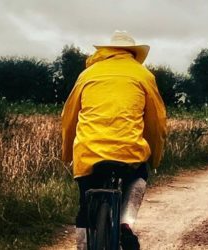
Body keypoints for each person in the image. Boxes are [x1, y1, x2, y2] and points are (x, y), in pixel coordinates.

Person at [61, 30, 167, 250]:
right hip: (128, 152)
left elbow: (68, 118)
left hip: (89, 152)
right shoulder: (143, 75)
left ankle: (83, 244)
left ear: (107, 51)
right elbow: (157, 123)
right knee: (138, 176)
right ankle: (126, 224)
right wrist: (154, 158)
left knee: (85, 202)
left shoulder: (87, 75)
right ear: (132, 53)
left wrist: (68, 154)